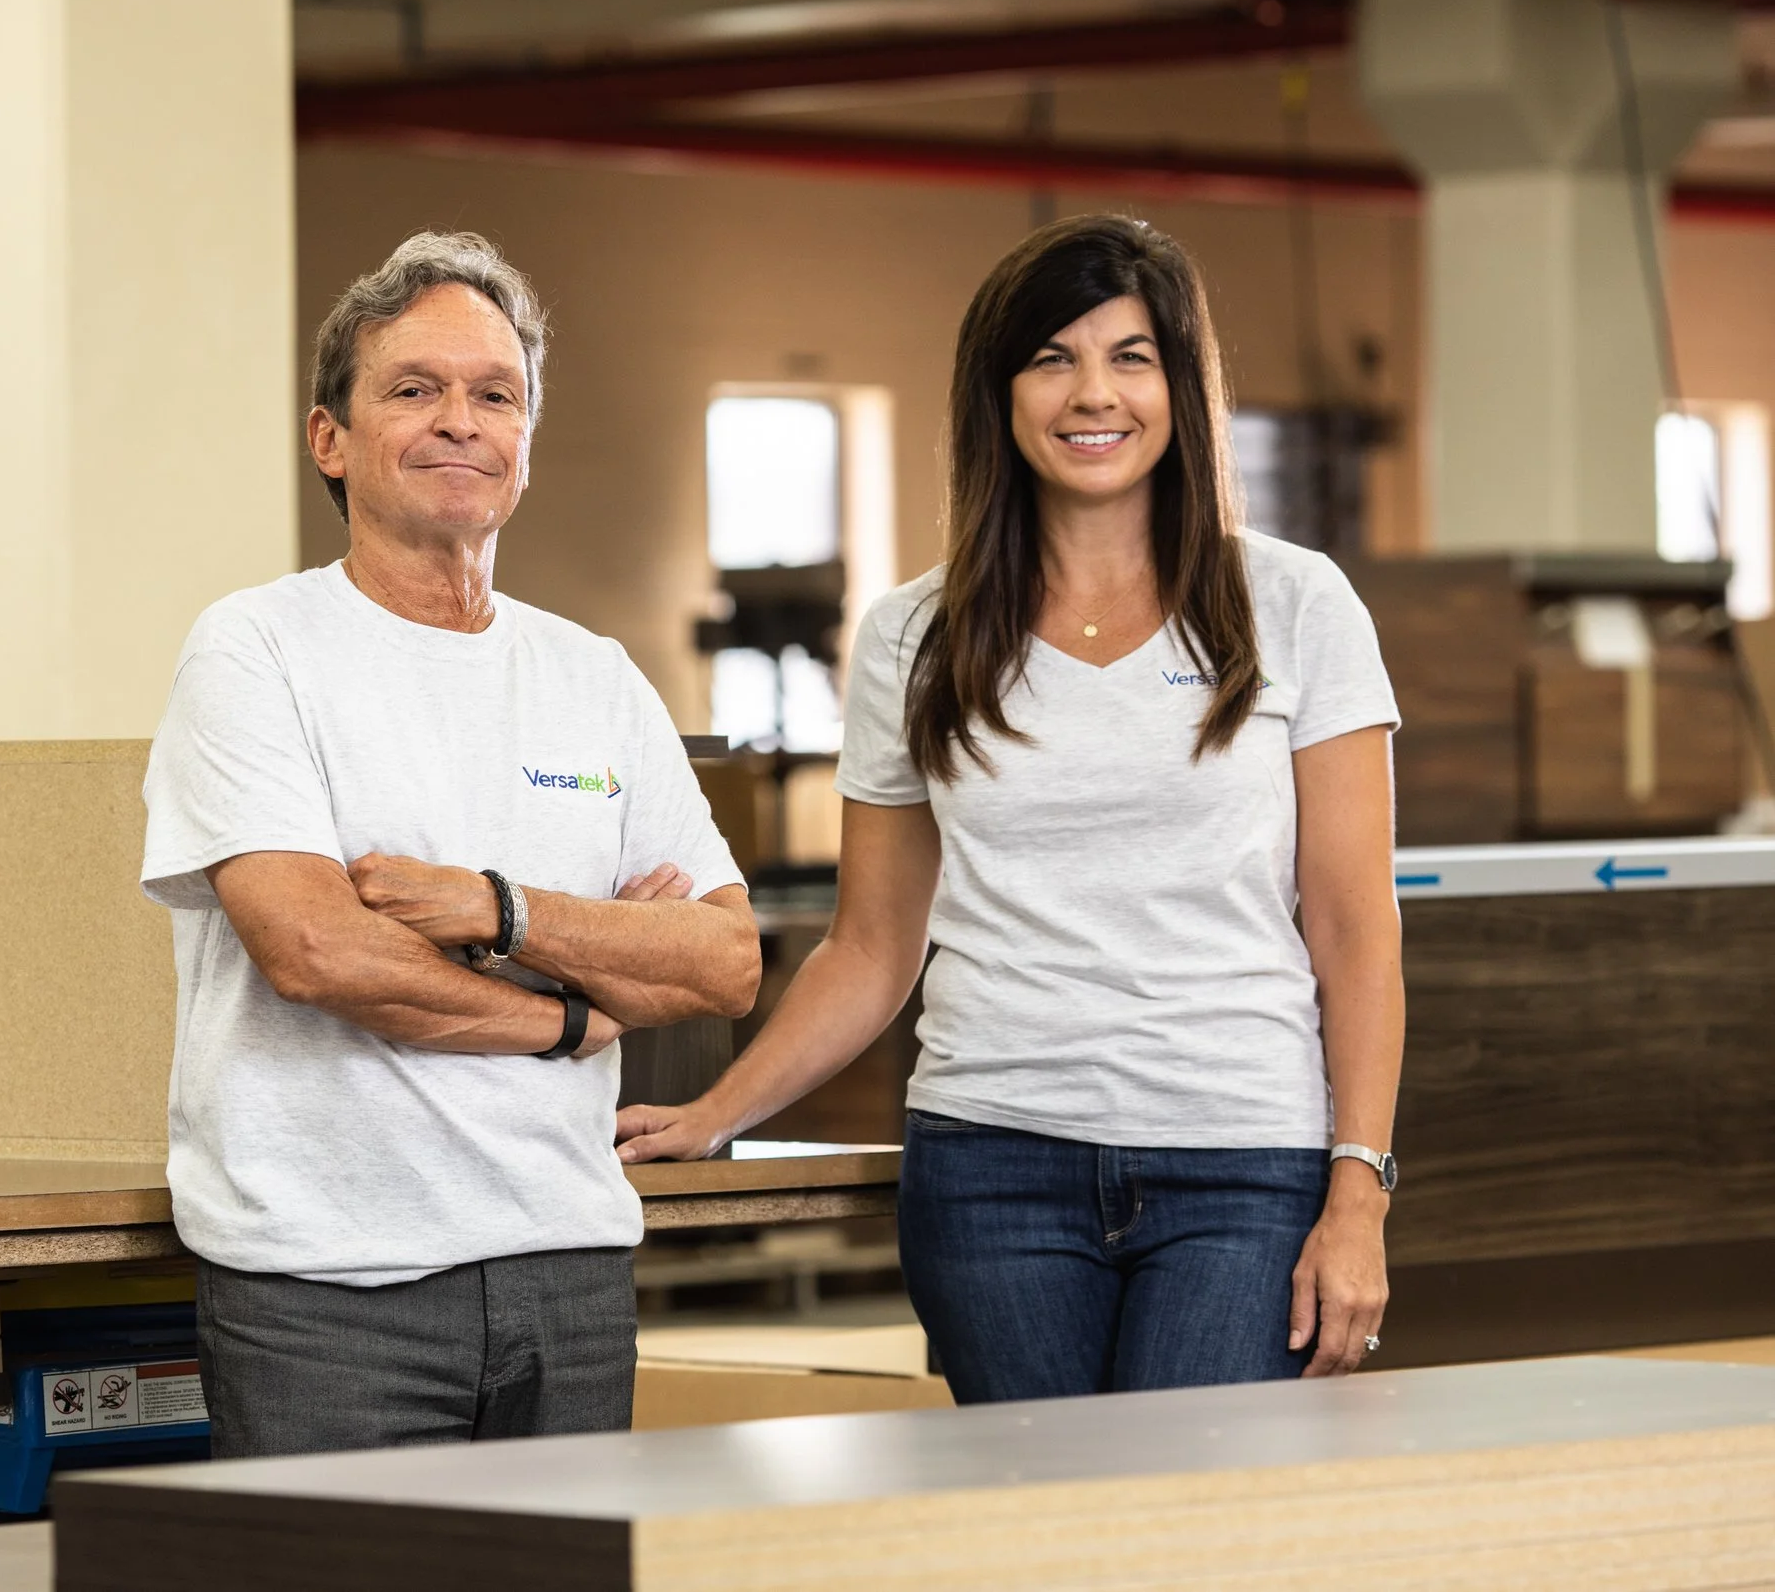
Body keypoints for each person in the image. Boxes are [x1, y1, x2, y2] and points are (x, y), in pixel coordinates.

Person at [618, 214, 1405, 1402]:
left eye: (1131, 356)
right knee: (1037, 1538)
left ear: (1180, 388)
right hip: (991, 1166)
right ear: (999, 391)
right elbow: (873, 945)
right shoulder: (914, 634)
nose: (1094, 393)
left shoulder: (1294, 603)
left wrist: (1358, 1187)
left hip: (1242, 1158)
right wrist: (717, 1107)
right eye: (1052, 357)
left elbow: (1355, 930)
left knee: (1180, 1529)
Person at [141, 230, 758, 1457]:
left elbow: (724, 964)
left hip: (567, 1270)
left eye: (494, 393)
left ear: (525, 439)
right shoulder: (257, 649)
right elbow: (315, 950)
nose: (458, 422)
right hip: (327, 1287)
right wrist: (579, 1012)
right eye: (414, 389)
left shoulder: (593, 677)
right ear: (331, 437)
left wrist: (496, 911)